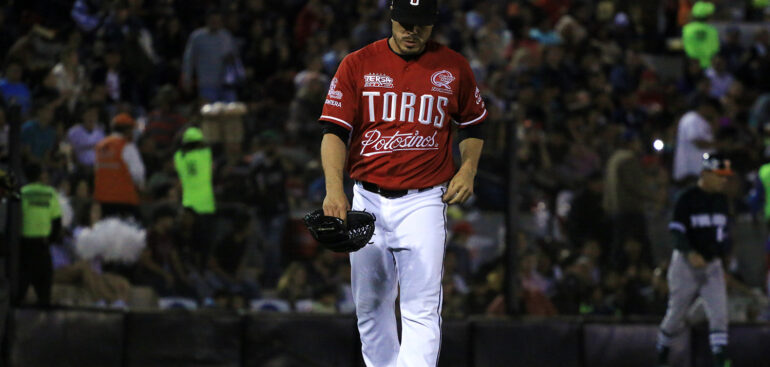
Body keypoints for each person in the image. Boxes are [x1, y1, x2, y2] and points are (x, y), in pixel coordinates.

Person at [318, 0, 487, 365]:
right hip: (368, 199)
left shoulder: (453, 66)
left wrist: (468, 168)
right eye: (405, 23)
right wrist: (334, 189)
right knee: (371, 306)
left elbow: (473, 124)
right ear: (392, 18)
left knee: (421, 308)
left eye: (421, 24)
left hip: (424, 199)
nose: (412, 31)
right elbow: (334, 131)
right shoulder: (358, 63)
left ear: (433, 25)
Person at [656, 153, 734, 367]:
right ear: (705, 173)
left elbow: (724, 234)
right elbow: (676, 231)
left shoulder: (721, 200)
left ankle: (721, 361)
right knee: (675, 315)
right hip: (685, 263)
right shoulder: (687, 197)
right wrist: (689, 252)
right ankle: (661, 355)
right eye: (719, 175)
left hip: (711, 264)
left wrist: (722, 259)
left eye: (725, 176)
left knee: (719, 315)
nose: (724, 180)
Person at [18, 163, 62, 306]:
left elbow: (16, 218)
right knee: (44, 292)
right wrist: (51, 240)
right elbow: (57, 221)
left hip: (25, 247)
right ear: (39, 175)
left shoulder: (22, 192)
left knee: (19, 291)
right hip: (42, 246)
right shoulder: (50, 193)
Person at [174, 126, 215, 270]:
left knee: (191, 241)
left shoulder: (179, 157)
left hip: (188, 204)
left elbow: (179, 147)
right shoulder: (205, 155)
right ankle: (203, 270)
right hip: (205, 205)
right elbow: (209, 145)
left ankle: (193, 269)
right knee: (204, 243)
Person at [94, 113, 145, 220]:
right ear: (127, 130)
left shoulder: (100, 146)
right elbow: (138, 174)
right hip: (124, 199)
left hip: (103, 199)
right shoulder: (127, 146)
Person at [181, 8, 238, 102]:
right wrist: (187, 79)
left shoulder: (226, 36)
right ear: (207, 20)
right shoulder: (197, 37)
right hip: (206, 85)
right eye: (213, 21)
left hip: (225, 85)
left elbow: (234, 58)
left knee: (229, 113)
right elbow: (189, 60)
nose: (215, 23)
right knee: (209, 113)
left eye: (218, 21)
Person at [672, 97, 722, 184]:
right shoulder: (692, 118)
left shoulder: (704, 122)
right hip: (690, 173)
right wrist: (722, 145)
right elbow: (698, 143)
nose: (713, 114)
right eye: (713, 111)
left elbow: (711, 148)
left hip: (703, 172)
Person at [682, 1, 719, 69]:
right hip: (707, 66)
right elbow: (715, 50)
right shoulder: (712, 31)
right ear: (708, 15)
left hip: (690, 65)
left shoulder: (686, 29)